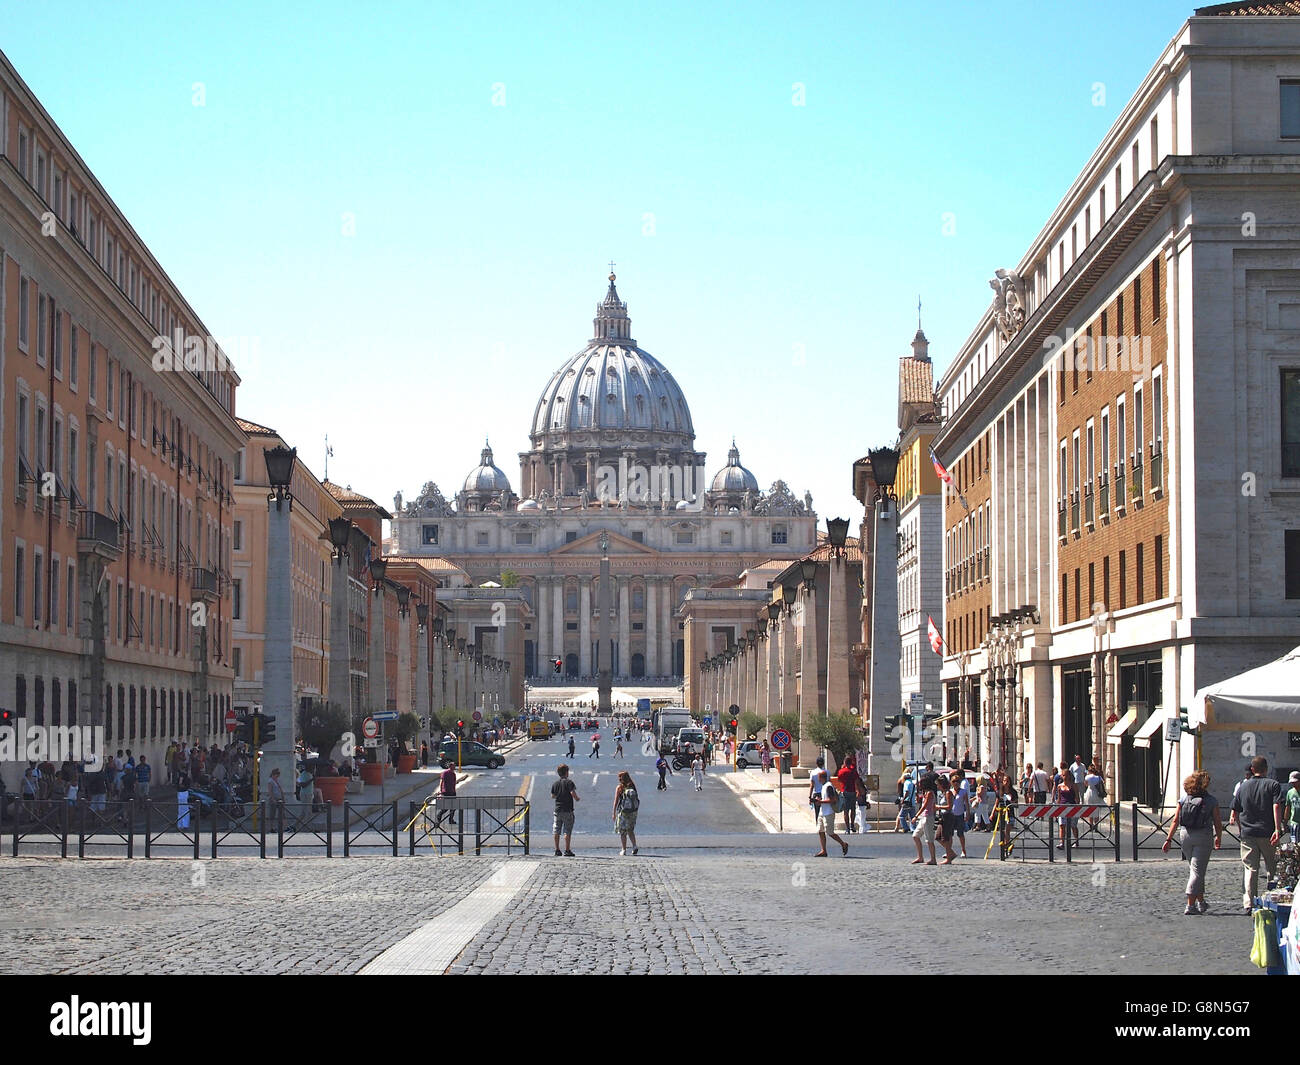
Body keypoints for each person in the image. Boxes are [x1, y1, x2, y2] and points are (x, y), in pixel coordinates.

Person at [1162, 770, 1222, 915]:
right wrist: (1218, 836)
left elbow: (1175, 820)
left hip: (1185, 835)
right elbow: (1217, 821)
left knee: (1196, 869)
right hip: (1203, 835)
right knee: (1197, 871)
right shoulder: (1211, 800)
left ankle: (1201, 902)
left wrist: (1168, 839)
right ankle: (1190, 905)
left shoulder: (1184, 799)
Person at [1230, 755, 1285, 911]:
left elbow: (1236, 810)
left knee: (1250, 868)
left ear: (1252, 769)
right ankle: (1272, 898)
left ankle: (1249, 903)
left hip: (1248, 833)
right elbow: (1276, 806)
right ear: (1266, 769)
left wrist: (1241, 829)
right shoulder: (1273, 785)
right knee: (1272, 867)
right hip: (1268, 832)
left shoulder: (1243, 786)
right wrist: (1277, 828)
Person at [814, 771, 849, 857]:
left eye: (819, 777)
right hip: (822, 812)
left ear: (821, 778)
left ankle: (843, 844)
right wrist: (819, 799)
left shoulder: (828, 786)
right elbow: (826, 798)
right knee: (820, 831)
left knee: (829, 832)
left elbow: (833, 800)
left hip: (829, 812)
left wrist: (821, 801)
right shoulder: (824, 786)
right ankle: (823, 850)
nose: (818, 779)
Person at [551, 764, 579, 856]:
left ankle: (557, 849)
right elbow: (572, 792)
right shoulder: (569, 782)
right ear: (566, 772)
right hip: (567, 809)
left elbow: (553, 796)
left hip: (558, 809)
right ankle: (567, 850)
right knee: (567, 830)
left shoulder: (555, 783)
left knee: (556, 829)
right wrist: (577, 798)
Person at [911, 773, 938, 865]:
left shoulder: (930, 793)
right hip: (923, 817)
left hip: (928, 817)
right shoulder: (925, 793)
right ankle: (920, 857)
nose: (919, 785)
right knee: (915, 836)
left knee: (929, 840)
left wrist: (916, 816)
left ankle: (933, 859)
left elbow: (925, 806)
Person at [612, 771, 640, 856]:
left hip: (623, 812)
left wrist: (613, 813)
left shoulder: (620, 787)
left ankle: (623, 849)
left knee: (623, 831)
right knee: (630, 830)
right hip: (633, 812)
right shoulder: (632, 786)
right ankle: (634, 846)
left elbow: (616, 801)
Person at [933, 774, 958, 864]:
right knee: (938, 837)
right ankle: (951, 853)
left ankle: (949, 857)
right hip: (942, 816)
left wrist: (938, 807)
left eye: (938, 785)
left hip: (948, 816)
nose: (937, 787)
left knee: (946, 837)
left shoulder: (948, 793)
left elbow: (950, 806)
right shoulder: (943, 793)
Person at [1053, 770, 1079, 849]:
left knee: (1073, 826)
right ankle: (1062, 843)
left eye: (1066, 775)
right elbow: (1059, 798)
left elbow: (1077, 797)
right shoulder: (1059, 786)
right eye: (1063, 775)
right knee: (1062, 825)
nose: (1065, 777)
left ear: (1069, 776)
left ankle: (1076, 841)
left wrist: (1078, 807)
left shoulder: (1073, 785)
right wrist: (1056, 807)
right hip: (1062, 807)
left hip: (1072, 806)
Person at [836, 756, 862, 834]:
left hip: (845, 791)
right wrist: (859, 791)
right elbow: (857, 781)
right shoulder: (854, 771)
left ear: (844, 762)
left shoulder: (842, 771)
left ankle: (847, 828)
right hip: (853, 791)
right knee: (853, 809)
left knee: (846, 811)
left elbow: (839, 780)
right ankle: (852, 825)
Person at [809, 757, 829, 823]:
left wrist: (810, 796)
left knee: (817, 811)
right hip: (825, 793)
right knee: (826, 810)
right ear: (823, 763)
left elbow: (812, 785)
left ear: (816, 764)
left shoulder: (813, 772)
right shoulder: (827, 772)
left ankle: (818, 825)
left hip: (816, 794)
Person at [1286, 771, 1300, 844]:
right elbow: (1288, 807)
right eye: (1292, 782)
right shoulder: (1290, 792)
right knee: (1294, 842)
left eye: (1295, 782)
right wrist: (1285, 822)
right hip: (1294, 823)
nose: (1293, 784)